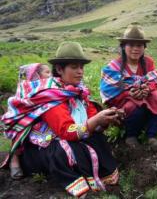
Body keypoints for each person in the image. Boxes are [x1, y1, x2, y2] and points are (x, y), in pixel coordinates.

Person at [1, 42, 120, 197]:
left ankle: (99, 176)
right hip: (48, 144)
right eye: (74, 67)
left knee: (98, 139)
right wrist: (95, 120)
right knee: (64, 150)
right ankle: (78, 183)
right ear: (59, 69)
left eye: (81, 67)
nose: (80, 72)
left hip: (73, 136)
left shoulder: (79, 92)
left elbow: (91, 119)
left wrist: (105, 120)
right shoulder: (51, 97)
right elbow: (66, 131)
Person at [100, 25, 157, 149]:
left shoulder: (148, 63)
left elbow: (153, 82)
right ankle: (131, 136)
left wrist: (148, 89)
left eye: (139, 46)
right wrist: (129, 94)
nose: (135, 49)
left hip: (146, 101)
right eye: (131, 45)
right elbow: (112, 90)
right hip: (125, 107)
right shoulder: (114, 67)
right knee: (134, 103)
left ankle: (151, 136)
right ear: (124, 47)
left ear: (144, 47)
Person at [9, 63, 51, 180]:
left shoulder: (51, 87)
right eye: (47, 72)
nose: (50, 75)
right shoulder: (25, 89)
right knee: (19, 126)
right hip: (28, 119)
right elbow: (19, 105)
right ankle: (14, 159)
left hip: (44, 121)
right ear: (35, 75)